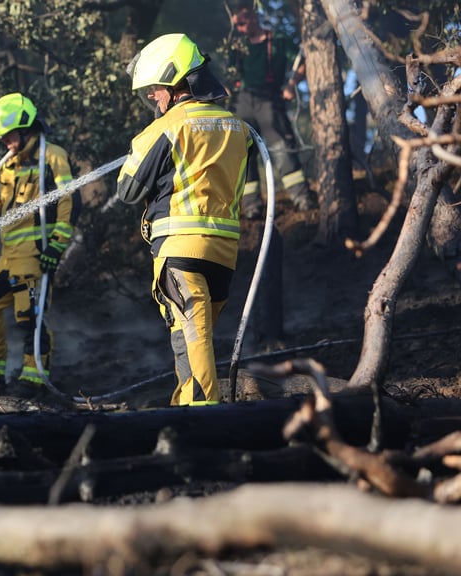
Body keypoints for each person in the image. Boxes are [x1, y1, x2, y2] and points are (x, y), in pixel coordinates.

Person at [115, 33, 252, 406]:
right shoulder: (239, 128)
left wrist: (135, 152)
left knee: (192, 340)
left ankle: (204, 417)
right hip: (224, 256)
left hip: (179, 251)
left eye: (154, 89)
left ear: (175, 84)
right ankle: (182, 410)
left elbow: (127, 191)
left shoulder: (165, 129)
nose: (150, 98)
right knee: (189, 337)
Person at [0, 92, 78, 401]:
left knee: (30, 317)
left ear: (25, 128)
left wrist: (57, 246)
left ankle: (34, 379)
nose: (6, 144)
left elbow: (69, 201)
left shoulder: (52, 156)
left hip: (35, 255)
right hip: (8, 255)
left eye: (9, 136)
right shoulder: (8, 167)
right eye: (3, 139)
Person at [230, 0, 315, 217]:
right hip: (243, 103)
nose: (241, 27)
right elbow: (231, 75)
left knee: (281, 146)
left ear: (253, 15)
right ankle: (251, 206)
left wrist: (290, 85)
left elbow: (301, 61)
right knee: (242, 152)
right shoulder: (237, 46)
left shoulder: (277, 40)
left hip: (269, 100)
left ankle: (302, 197)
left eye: (244, 20)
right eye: (237, 24)